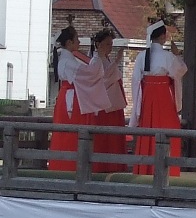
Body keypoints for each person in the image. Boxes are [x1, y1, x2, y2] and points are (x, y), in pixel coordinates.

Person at [49, 26, 112, 171]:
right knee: (71, 134)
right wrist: (97, 57)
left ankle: (65, 165)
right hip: (71, 99)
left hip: (70, 96)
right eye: (76, 39)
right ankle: (68, 166)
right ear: (69, 43)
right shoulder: (68, 61)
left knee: (69, 133)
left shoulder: (66, 59)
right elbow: (89, 73)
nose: (78, 42)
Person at [129, 21, 187, 177]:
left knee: (148, 130)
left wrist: (138, 107)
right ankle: (167, 168)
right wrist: (177, 55)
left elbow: (135, 80)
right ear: (163, 37)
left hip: (147, 96)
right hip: (163, 96)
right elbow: (181, 70)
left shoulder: (142, 56)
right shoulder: (168, 56)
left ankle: (146, 168)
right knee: (167, 129)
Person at [91, 28, 127, 173]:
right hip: (104, 105)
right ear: (98, 44)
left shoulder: (105, 59)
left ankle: (115, 165)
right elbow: (102, 80)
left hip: (113, 102)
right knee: (105, 137)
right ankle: (103, 166)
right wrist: (117, 61)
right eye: (107, 44)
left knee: (114, 136)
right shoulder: (95, 61)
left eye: (111, 44)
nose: (110, 47)